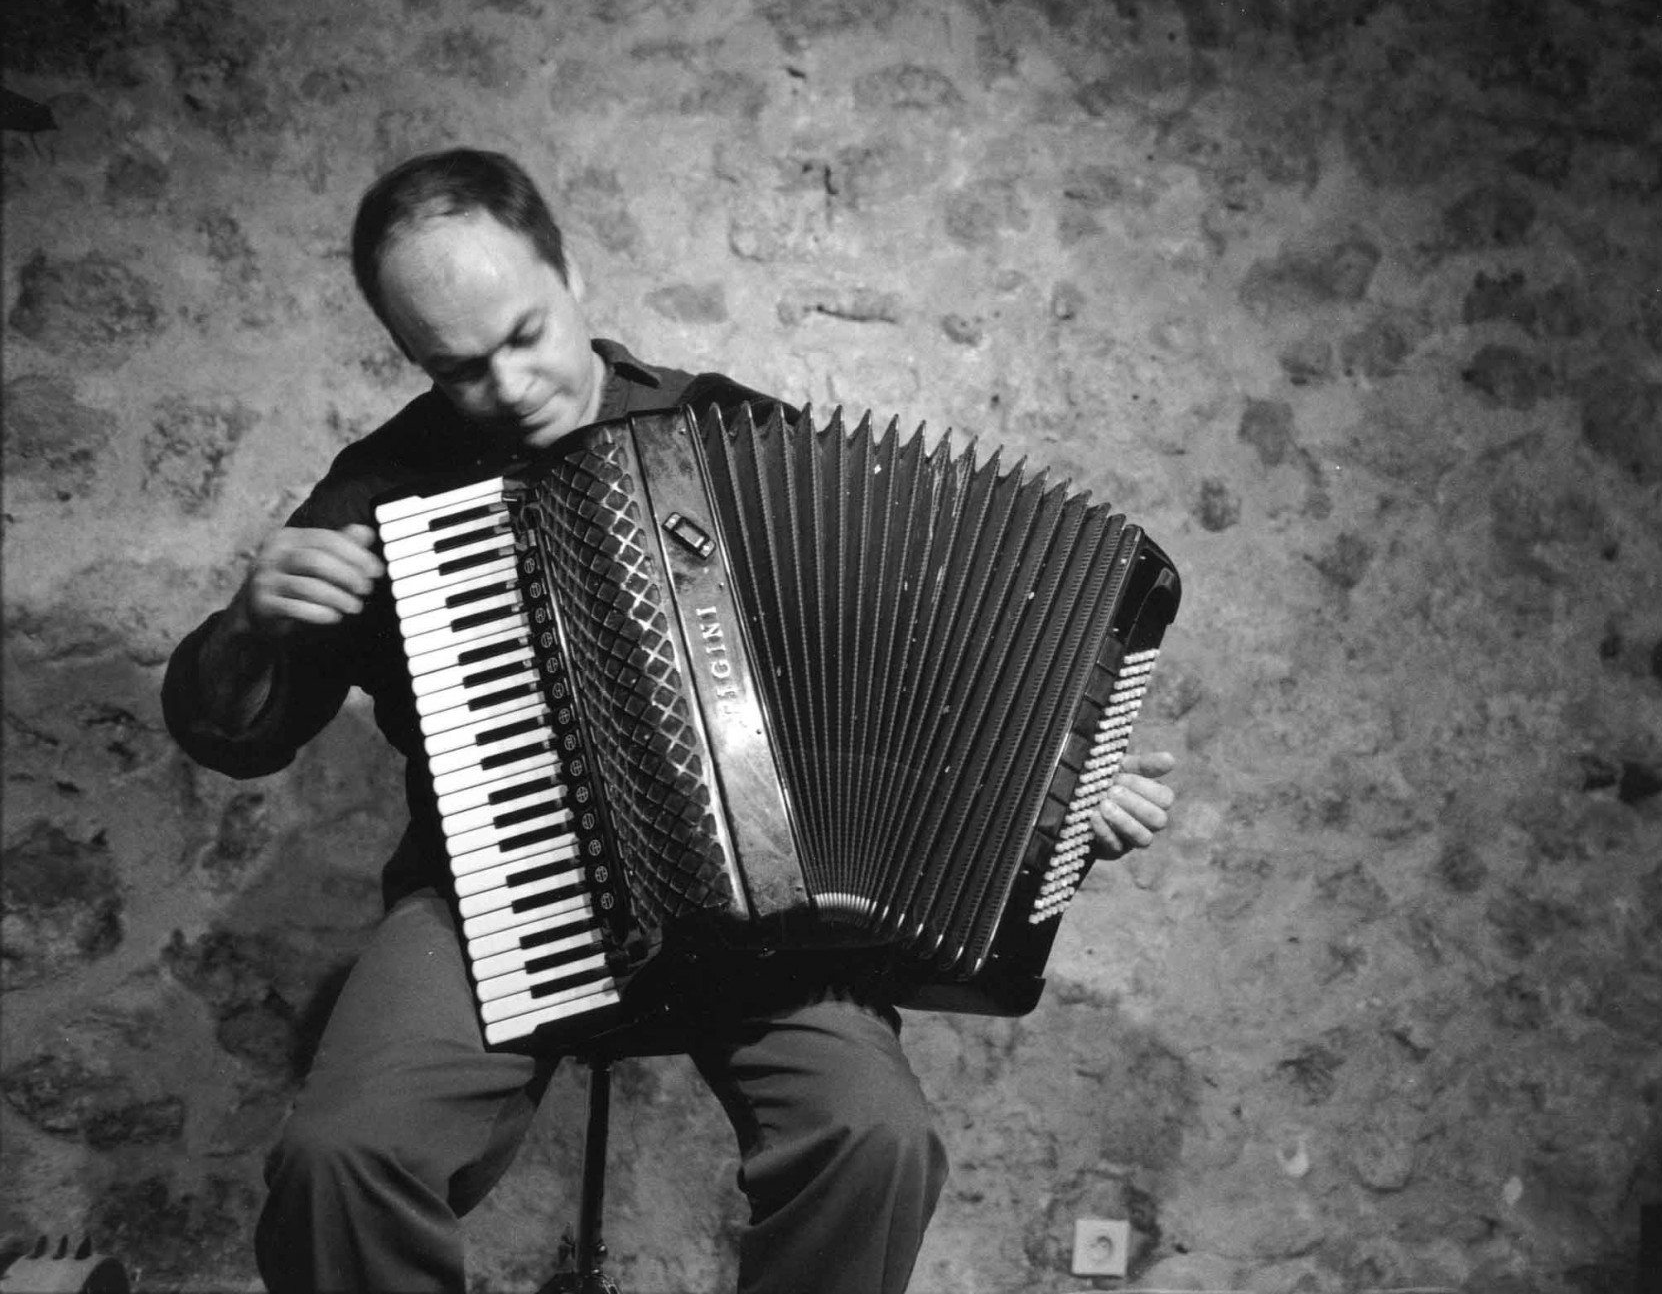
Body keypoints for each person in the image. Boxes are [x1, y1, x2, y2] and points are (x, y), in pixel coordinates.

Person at [159, 148, 1177, 1294]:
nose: (508, 384)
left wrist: (1060, 790)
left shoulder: (731, 434)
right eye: (457, 368)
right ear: (410, 359)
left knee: (877, 1139)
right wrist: (255, 623)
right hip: (492, 886)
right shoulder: (387, 486)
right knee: (341, 1153)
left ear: (569, 271)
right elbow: (234, 734)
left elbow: (918, 685)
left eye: (523, 333)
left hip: (760, 908)